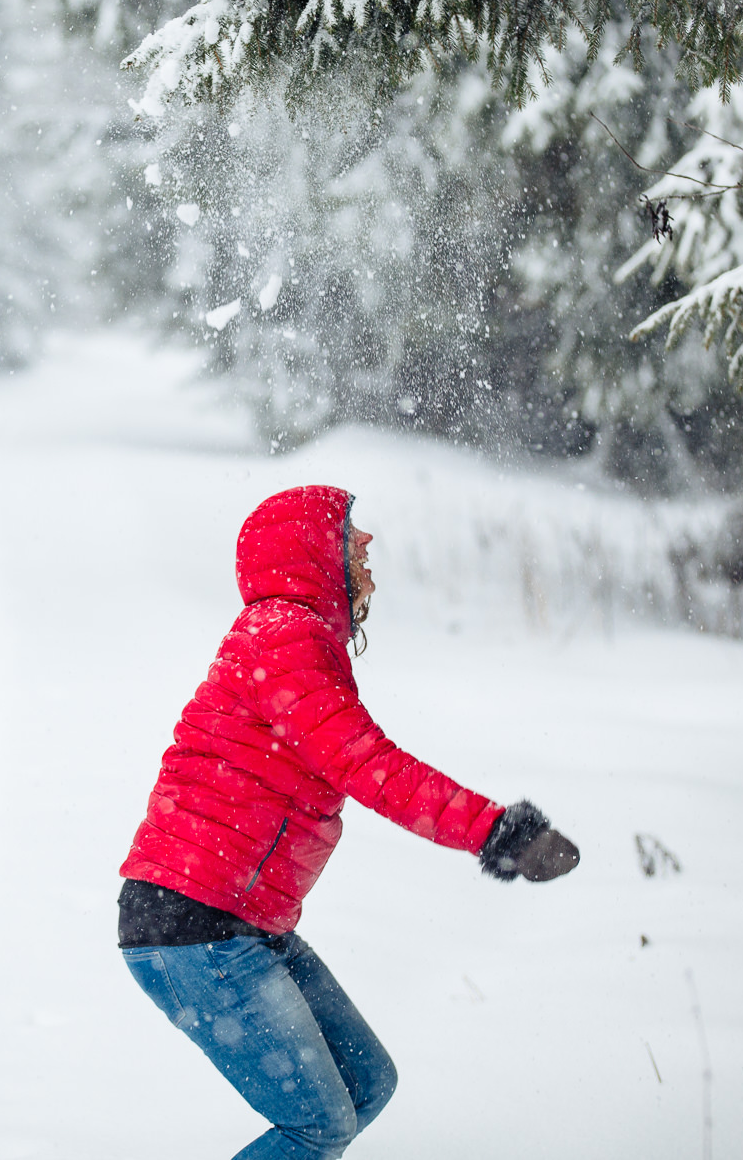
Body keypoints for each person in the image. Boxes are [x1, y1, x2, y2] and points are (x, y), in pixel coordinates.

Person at [118, 485, 577, 1159]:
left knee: (365, 1083)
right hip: (195, 925)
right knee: (320, 1123)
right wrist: (494, 829)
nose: (366, 542)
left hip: (242, 924)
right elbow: (366, 764)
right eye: (348, 531)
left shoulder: (295, 638)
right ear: (309, 551)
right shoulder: (280, 637)